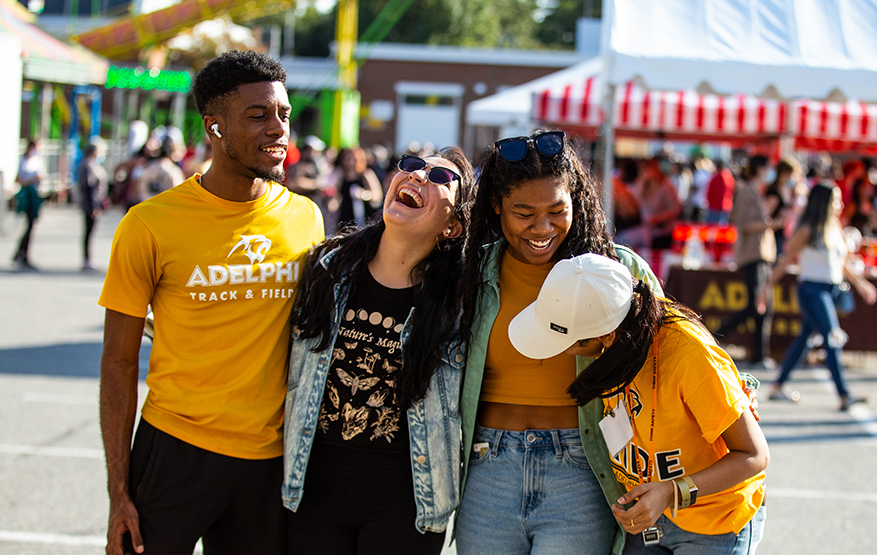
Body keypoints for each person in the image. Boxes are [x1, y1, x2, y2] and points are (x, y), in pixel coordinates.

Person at [97, 50, 324, 555]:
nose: (278, 129)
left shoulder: (306, 218)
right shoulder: (150, 224)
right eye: (258, 115)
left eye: (284, 114)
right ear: (214, 127)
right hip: (173, 448)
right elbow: (116, 361)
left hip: (268, 461)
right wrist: (118, 491)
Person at [454, 130, 664, 555]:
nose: (543, 228)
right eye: (524, 214)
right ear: (497, 208)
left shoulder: (619, 270)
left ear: (578, 200)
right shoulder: (470, 273)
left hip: (582, 469)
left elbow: (672, 356)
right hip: (486, 468)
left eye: (556, 210)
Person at [509, 253, 769, 554]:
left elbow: (754, 455)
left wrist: (671, 492)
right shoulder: (619, 327)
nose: (558, 353)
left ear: (606, 336)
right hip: (651, 516)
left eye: (565, 343)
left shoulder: (689, 355)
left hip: (717, 522)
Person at [283, 147, 473, 554]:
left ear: (453, 226)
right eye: (411, 166)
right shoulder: (326, 268)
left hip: (408, 504)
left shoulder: (459, 304)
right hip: (312, 492)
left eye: (441, 178)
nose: (419, 176)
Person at [758, 183, 877, 411]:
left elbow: (842, 263)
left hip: (830, 289)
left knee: (805, 338)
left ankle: (777, 385)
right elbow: (785, 260)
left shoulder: (834, 228)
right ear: (825, 202)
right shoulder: (807, 230)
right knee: (832, 338)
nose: (840, 204)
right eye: (836, 199)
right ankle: (843, 394)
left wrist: (861, 284)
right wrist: (766, 288)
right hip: (812, 290)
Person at [714, 155, 780, 369]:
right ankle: (716, 336)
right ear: (760, 169)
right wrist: (771, 224)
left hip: (761, 254)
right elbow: (743, 223)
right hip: (751, 255)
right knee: (754, 305)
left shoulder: (755, 191)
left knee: (763, 306)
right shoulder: (745, 190)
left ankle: (759, 355)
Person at [331, 146, 383, 230]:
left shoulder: (366, 174)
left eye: (354, 158)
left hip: (363, 220)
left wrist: (363, 194)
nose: (351, 161)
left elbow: (377, 195)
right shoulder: (341, 176)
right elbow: (336, 197)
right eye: (348, 158)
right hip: (345, 220)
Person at [12, 140, 45, 270]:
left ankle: (22, 254)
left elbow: (41, 176)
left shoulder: (37, 161)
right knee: (29, 224)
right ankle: (20, 253)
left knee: (32, 225)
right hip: (27, 196)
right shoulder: (24, 161)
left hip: (35, 195)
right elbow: (18, 179)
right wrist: (32, 179)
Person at [77, 139, 109, 271]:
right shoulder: (87, 165)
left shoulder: (91, 164)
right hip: (90, 203)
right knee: (88, 231)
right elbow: (89, 187)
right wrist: (93, 206)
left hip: (94, 202)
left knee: (91, 231)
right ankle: (87, 259)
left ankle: (88, 258)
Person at [764, 159, 794, 255]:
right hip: (773, 234)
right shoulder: (774, 193)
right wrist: (775, 223)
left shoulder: (784, 189)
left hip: (781, 232)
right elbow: (766, 214)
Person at [705, 159, 735, 225]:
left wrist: (709, 202)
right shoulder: (730, 177)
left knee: (712, 229)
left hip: (716, 206)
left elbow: (711, 192)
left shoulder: (717, 177)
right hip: (727, 206)